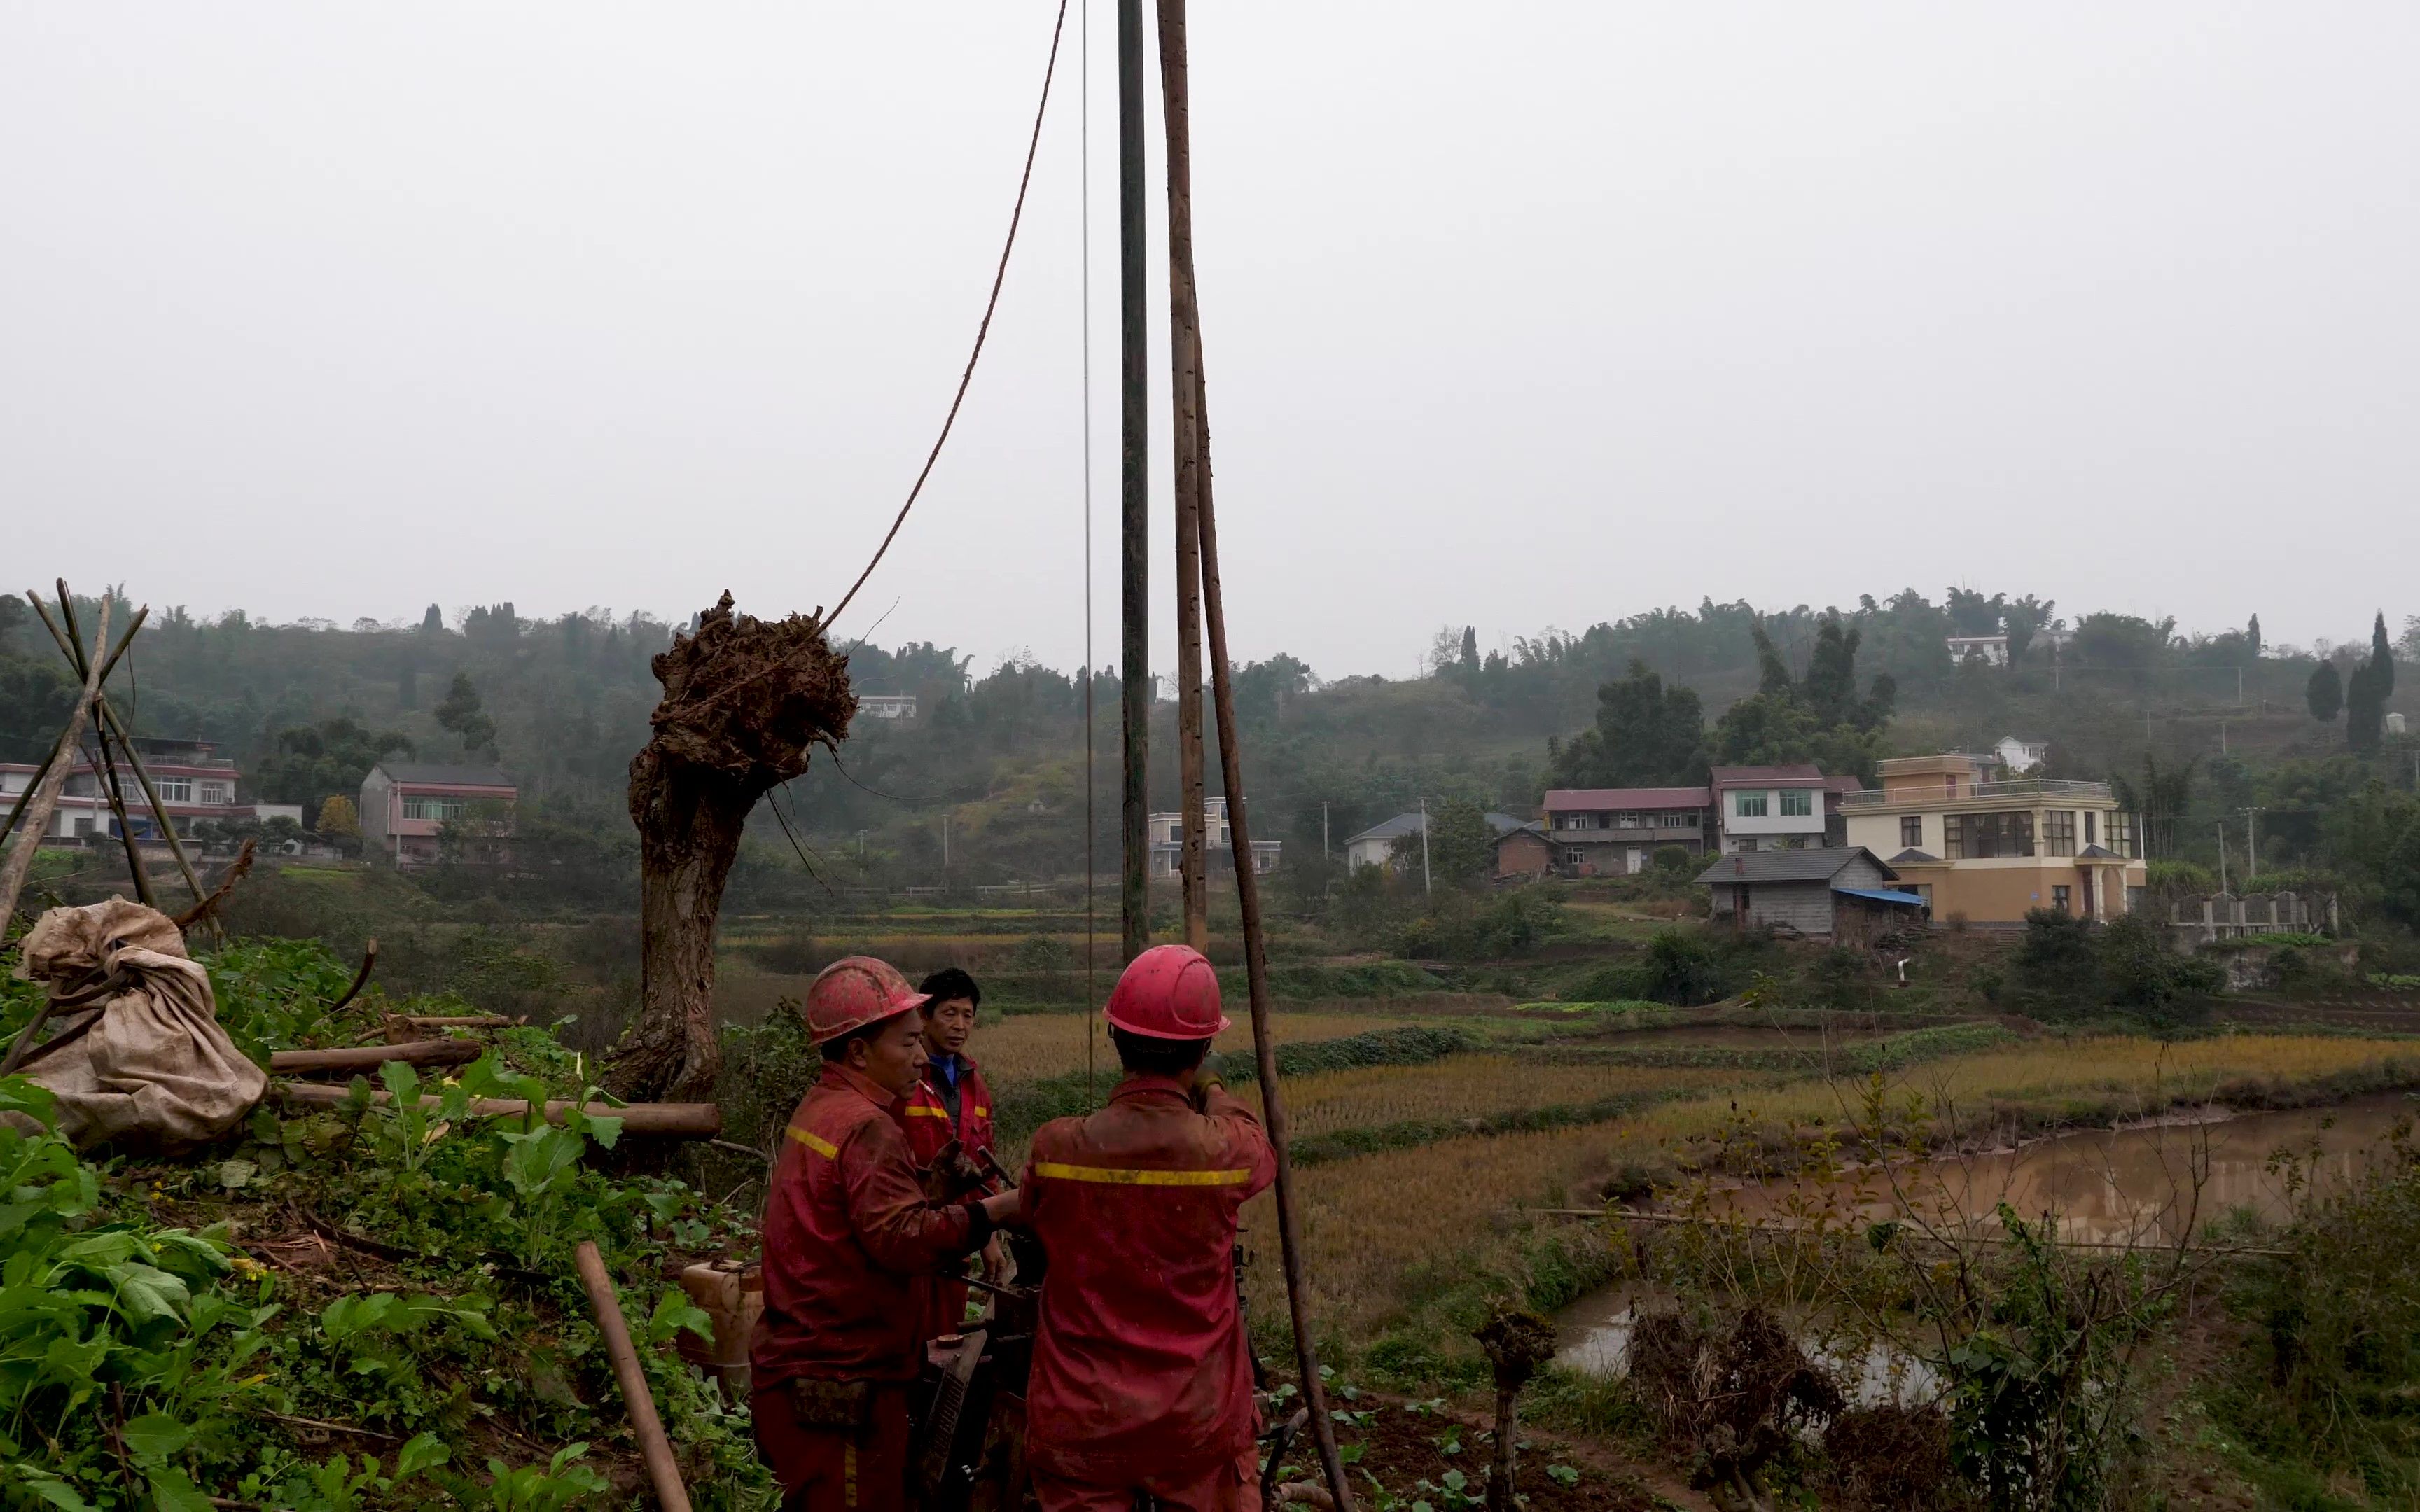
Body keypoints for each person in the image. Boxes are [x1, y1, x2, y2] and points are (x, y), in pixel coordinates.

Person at [751, 956, 1022, 1512]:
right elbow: (901, 1241)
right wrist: (996, 1211)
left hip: (801, 1361)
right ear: (858, 1051)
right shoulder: (869, 1125)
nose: (922, 1058)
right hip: (841, 1375)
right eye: (907, 1044)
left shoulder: (822, 1107)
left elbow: (855, 1221)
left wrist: (932, 1194)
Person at [1018, 944, 1277, 1512]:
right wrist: (1212, 1089)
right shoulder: (1224, 1150)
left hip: (1081, 1419)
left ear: (1115, 1039)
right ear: (1204, 1048)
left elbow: (1030, 1210)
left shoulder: (1057, 1147)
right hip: (1195, 1420)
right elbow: (1261, 1148)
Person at [897, 966, 1000, 1336]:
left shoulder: (975, 1084)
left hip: (955, 1240)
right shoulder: (901, 1078)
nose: (959, 1025)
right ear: (924, 1016)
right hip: (904, 1236)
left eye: (968, 1015)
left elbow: (982, 1167)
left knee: (947, 1338)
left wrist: (987, 1236)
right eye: (949, 1013)